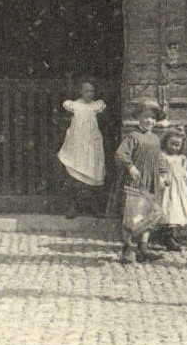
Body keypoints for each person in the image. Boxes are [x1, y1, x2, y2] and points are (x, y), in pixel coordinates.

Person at [115, 101, 165, 264]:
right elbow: (121, 154)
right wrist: (130, 167)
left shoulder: (156, 139)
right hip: (136, 182)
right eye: (145, 117)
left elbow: (159, 159)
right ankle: (128, 249)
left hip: (152, 181)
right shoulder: (133, 137)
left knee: (151, 213)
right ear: (138, 118)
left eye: (152, 118)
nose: (149, 121)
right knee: (134, 215)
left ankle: (143, 248)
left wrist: (163, 174)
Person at [57, 79, 107, 217]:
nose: (89, 94)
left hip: (92, 143)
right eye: (86, 91)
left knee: (93, 172)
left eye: (92, 91)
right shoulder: (73, 105)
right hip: (77, 143)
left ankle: (94, 207)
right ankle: (73, 207)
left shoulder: (97, 106)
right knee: (75, 171)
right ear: (80, 91)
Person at [156, 126, 187, 251]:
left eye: (177, 145)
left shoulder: (182, 158)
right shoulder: (163, 156)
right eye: (171, 144)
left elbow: (184, 172)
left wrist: (183, 178)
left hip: (178, 189)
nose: (174, 147)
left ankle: (170, 237)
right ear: (165, 142)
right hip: (167, 187)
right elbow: (160, 170)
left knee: (175, 210)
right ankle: (165, 236)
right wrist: (163, 179)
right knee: (166, 209)